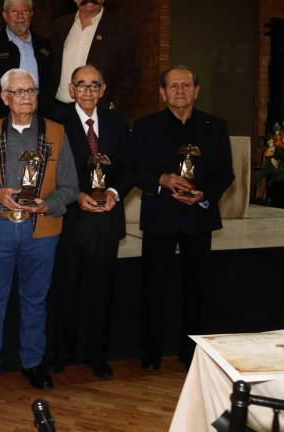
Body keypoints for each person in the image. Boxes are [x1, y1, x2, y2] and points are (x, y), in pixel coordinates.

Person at [0, 68, 78, 391]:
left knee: (35, 300)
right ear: (4, 98)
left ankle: (33, 363)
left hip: (40, 231)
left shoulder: (56, 133)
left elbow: (70, 186)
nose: (27, 97)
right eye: (19, 91)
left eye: (31, 91)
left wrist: (49, 204)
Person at [131, 66, 234, 370]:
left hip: (198, 216)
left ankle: (193, 351)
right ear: (162, 93)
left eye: (185, 86)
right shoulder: (145, 126)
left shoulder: (214, 126)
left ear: (196, 91)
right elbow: (135, 169)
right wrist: (162, 178)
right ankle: (151, 352)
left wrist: (204, 194)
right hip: (161, 215)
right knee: (154, 287)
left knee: (198, 288)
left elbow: (225, 172)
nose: (179, 91)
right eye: (173, 86)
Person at [46, 65, 131, 379]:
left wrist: (113, 191)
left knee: (101, 290)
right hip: (71, 218)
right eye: (81, 85)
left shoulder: (117, 122)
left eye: (94, 86)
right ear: (71, 90)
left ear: (103, 89)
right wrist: (77, 195)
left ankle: (97, 355)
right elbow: (49, 169)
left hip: (106, 218)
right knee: (66, 289)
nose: (88, 91)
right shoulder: (56, 122)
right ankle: (62, 353)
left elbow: (129, 165)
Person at [47, 0, 139, 118]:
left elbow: (132, 72)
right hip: (59, 111)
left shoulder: (120, 28)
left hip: (99, 112)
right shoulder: (60, 25)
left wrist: (113, 105)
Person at [0, 0, 51, 121]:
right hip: (2, 120)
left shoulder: (44, 46)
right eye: (14, 11)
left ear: (31, 14)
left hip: (40, 120)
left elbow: (51, 83)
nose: (20, 16)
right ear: (4, 15)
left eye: (24, 11)